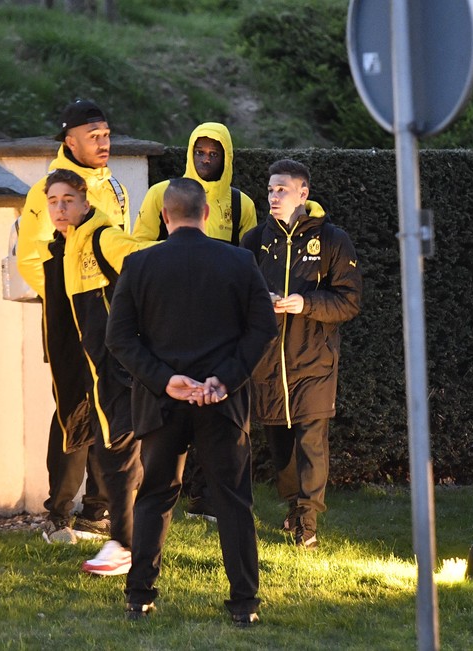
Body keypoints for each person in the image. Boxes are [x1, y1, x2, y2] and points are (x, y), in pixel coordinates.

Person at [106, 178, 277, 626]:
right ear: (205, 215)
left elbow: (119, 337)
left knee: (155, 497)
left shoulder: (139, 264)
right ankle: (245, 605)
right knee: (233, 500)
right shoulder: (240, 261)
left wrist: (167, 381)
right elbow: (263, 328)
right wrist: (224, 379)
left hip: (162, 404)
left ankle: (139, 595)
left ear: (165, 217)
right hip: (222, 402)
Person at [17, 98, 131, 543]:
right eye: (93, 136)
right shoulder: (48, 189)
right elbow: (31, 258)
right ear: (70, 140)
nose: (104, 142)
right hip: (69, 318)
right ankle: (58, 512)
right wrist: (70, 299)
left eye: (106, 134)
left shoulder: (114, 187)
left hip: (109, 318)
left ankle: (97, 511)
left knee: (109, 406)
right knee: (72, 409)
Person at [133, 122, 260, 521]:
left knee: (217, 404)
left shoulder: (241, 204)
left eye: (214, 153)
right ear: (190, 152)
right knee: (171, 410)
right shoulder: (161, 194)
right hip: (170, 314)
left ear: (227, 157)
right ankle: (164, 495)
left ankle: (205, 499)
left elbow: (249, 263)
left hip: (221, 321)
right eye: (200, 152)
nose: (206, 159)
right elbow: (138, 246)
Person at [241, 159, 363, 550]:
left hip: (314, 360)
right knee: (280, 442)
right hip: (268, 362)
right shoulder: (254, 240)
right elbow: (239, 296)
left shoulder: (331, 239)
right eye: (270, 190)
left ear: (303, 193)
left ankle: (308, 522)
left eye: (281, 189)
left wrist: (304, 304)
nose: (273, 197)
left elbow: (349, 300)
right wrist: (265, 304)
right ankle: (294, 506)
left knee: (311, 438)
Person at [40, 169, 151, 576]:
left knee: (117, 452)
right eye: (53, 201)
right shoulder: (61, 248)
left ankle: (121, 541)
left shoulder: (102, 236)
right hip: (87, 368)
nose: (60, 208)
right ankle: (107, 534)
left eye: (68, 199)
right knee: (92, 442)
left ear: (86, 203)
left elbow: (145, 263)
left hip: (114, 368)